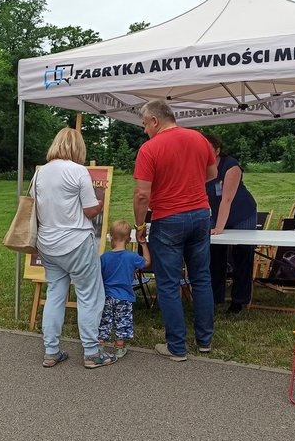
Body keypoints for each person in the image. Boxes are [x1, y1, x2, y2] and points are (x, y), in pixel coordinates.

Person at [133, 100, 217, 362]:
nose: (145, 130)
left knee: (168, 284)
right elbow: (212, 173)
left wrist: (139, 226)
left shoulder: (149, 149)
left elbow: (141, 194)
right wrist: (187, 183)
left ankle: (177, 347)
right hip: (201, 214)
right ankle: (205, 341)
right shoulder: (199, 138)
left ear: (155, 121)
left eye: (145, 124)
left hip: (168, 218)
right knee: (201, 278)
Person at [31, 127, 116, 370]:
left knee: (56, 294)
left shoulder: (40, 173)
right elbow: (89, 210)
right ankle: (91, 352)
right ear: (78, 147)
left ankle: (51, 350)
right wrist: (98, 206)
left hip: (47, 243)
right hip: (77, 241)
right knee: (89, 295)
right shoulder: (79, 171)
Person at [204, 134, 258, 314]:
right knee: (214, 254)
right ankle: (214, 298)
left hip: (242, 214)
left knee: (242, 254)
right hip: (218, 214)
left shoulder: (231, 166)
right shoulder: (200, 168)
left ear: (217, 150)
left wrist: (219, 228)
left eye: (207, 149)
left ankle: (239, 300)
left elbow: (226, 199)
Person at [97, 219, 152, 358]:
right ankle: (119, 347)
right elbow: (147, 262)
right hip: (124, 296)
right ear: (128, 239)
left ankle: (100, 345)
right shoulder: (132, 257)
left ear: (111, 237)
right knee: (122, 321)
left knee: (104, 320)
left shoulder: (104, 257)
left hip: (107, 295)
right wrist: (144, 244)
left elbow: (98, 275)